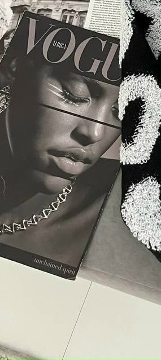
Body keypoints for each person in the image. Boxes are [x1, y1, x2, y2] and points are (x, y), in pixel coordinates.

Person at [0, 53, 120, 268]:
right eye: (75, 95)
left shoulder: (119, 216)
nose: (95, 133)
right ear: (15, 65)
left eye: (123, 111)